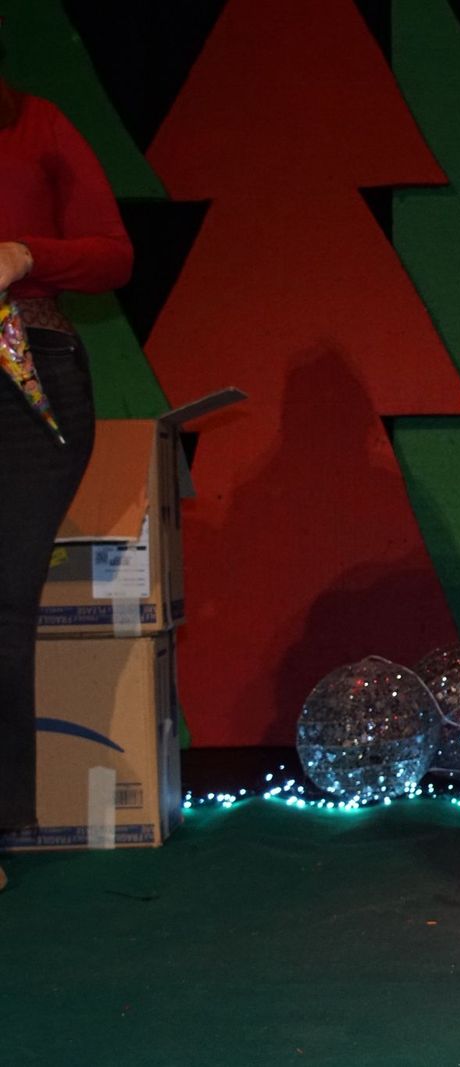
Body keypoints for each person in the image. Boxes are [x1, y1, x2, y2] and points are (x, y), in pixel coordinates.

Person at [0, 70, 135, 888]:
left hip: (28, 370)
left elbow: (114, 254)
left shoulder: (35, 123)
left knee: (4, 593)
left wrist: (25, 254)